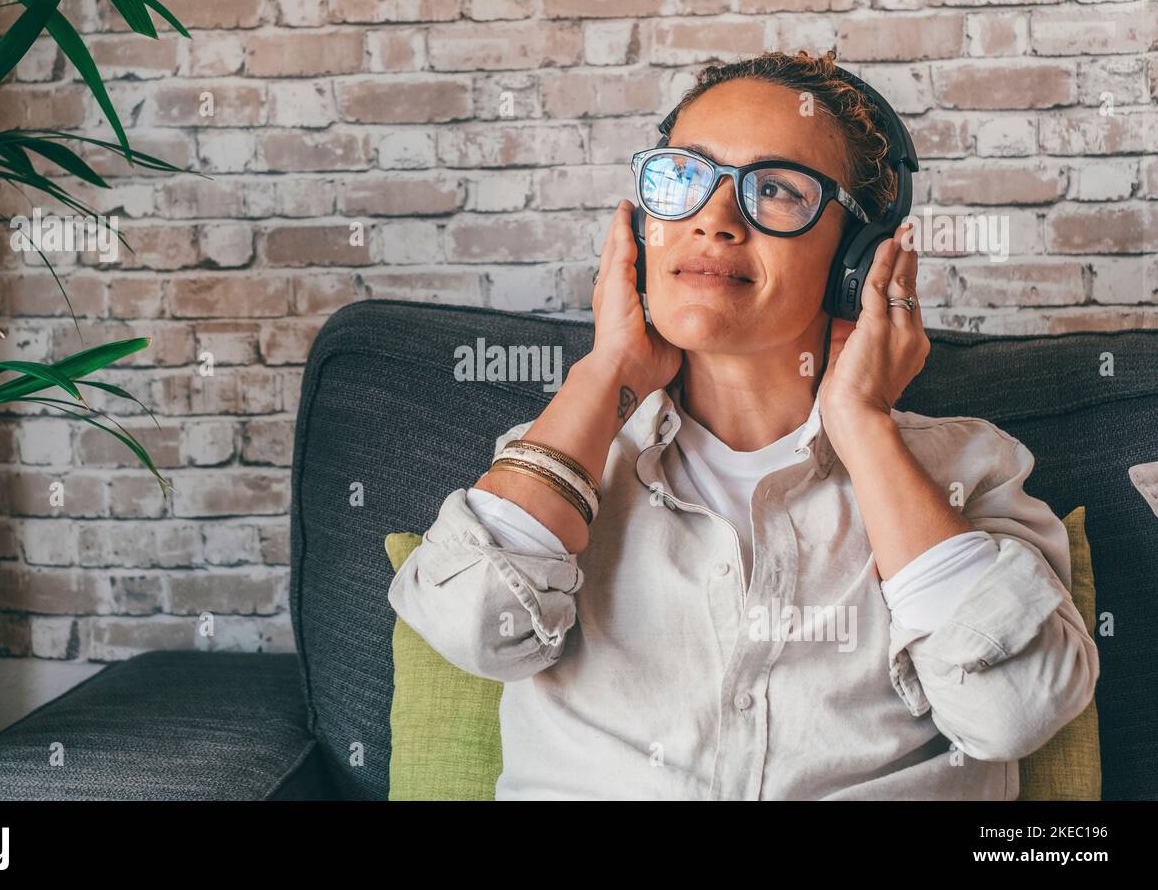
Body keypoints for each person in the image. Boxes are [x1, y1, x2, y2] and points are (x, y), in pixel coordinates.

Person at [388, 49, 1099, 800]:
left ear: (858, 261)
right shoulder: (567, 456)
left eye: (778, 191)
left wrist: (858, 425)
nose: (714, 220)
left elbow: (1014, 709)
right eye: (683, 178)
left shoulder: (969, 473)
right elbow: (474, 628)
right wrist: (606, 372)